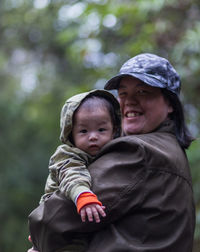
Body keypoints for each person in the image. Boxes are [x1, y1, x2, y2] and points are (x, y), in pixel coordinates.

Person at [28, 53, 196, 252]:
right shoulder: (171, 149)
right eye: (123, 93)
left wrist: (39, 237)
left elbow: (51, 220)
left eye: (142, 92)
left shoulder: (141, 151)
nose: (129, 101)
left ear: (170, 104)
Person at [28, 89, 121, 251]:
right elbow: (71, 174)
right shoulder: (67, 155)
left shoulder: (112, 153)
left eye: (101, 130)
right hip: (59, 217)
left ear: (114, 130)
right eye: (84, 131)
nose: (93, 136)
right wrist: (83, 195)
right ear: (71, 134)